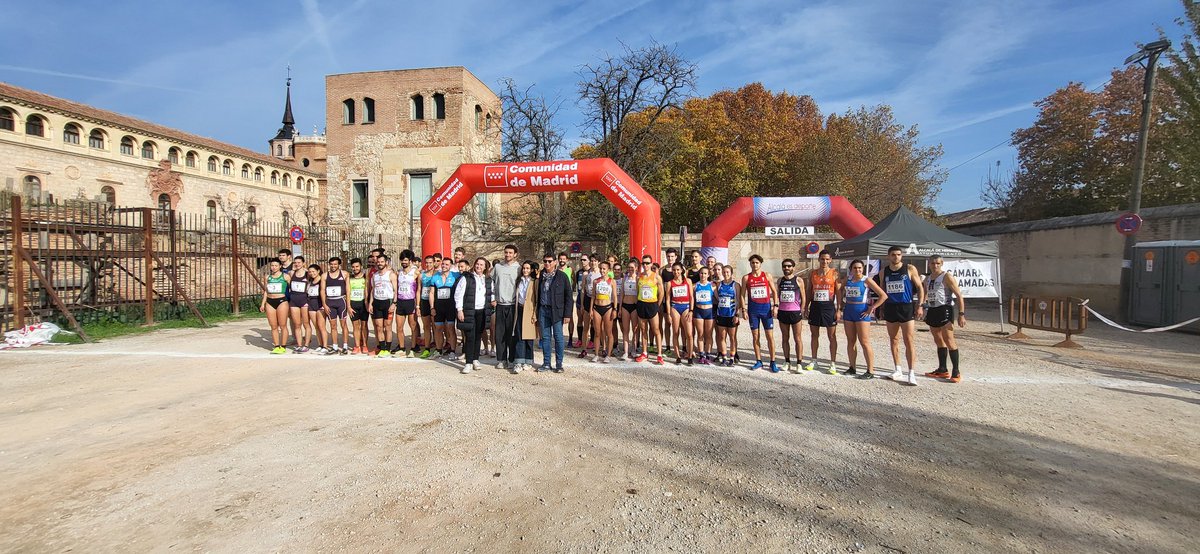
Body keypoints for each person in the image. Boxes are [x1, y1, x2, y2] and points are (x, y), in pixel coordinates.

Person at [881, 245, 926, 385]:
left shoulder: (909, 269)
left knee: (909, 340)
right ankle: (897, 369)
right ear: (888, 256)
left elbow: (919, 287)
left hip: (906, 306)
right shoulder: (884, 271)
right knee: (893, 339)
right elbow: (883, 290)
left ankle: (911, 372)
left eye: (899, 254)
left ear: (902, 256)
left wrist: (920, 305)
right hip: (890, 307)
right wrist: (882, 308)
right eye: (893, 254)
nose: (896, 257)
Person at [922, 255, 967, 383]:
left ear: (941, 263)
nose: (935, 266)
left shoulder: (946, 276)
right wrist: (921, 306)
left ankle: (956, 371)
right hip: (932, 309)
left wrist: (961, 314)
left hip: (945, 308)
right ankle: (942, 369)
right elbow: (925, 294)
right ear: (929, 264)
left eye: (937, 263)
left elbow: (958, 295)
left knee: (949, 339)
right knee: (938, 339)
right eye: (932, 263)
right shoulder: (928, 278)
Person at [841, 259, 888, 379]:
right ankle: (852, 367)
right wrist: (840, 305)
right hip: (849, 312)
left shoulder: (866, 280)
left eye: (860, 268)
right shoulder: (847, 280)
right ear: (851, 269)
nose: (857, 270)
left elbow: (883, 296)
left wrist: (872, 308)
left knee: (864, 342)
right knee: (851, 341)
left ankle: (870, 370)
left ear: (863, 269)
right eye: (855, 268)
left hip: (862, 313)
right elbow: (839, 289)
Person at [804, 250, 841, 374]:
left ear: (830, 260)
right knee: (814, 335)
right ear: (819, 259)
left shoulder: (835, 273)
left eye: (827, 259)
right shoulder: (812, 273)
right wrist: (805, 307)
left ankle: (833, 363)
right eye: (822, 259)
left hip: (829, 307)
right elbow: (809, 290)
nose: (824, 261)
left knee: (832, 336)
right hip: (815, 306)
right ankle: (814, 360)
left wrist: (839, 309)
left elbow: (839, 292)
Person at [535, 254, 573, 373]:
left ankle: (559, 364)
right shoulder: (540, 276)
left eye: (550, 261)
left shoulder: (562, 276)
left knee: (558, 337)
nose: (547, 263)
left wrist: (568, 314)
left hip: (557, 311)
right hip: (543, 310)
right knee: (545, 338)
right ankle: (546, 363)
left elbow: (569, 296)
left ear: (555, 262)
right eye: (545, 261)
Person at [741, 254, 780, 372]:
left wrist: (775, 306)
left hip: (766, 310)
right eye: (752, 263)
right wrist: (744, 309)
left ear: (760, 264)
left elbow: (774, 291)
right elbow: (742, 295)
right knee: (755, 336)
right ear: (750, 264)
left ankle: (773, 362)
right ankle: (758, 361)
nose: (754, 265)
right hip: (753, 311)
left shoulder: (767, 275)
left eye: (757, 263)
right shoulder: (746, 278)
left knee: (770, 336)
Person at [455, 257, 492, 374]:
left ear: (485, 267)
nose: (479, 267)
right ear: (474, 265)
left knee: (478, 336)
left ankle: (475, 359)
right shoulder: (467, 278)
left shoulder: (487, 279)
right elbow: (458, 294)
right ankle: (468, 363)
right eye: (477, 264)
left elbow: (491, 293)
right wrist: (460, 310)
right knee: (470, 337)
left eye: (482, 265)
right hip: (469, 311)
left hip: (482, 311)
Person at [491, 245, 521, 370]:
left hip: (513, 305)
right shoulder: (497, 267)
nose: (507, 255)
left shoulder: (519, 268)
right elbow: (490, 282)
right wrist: (492, 298)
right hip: (500, 305)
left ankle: (512, 359)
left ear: (515, 254)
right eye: (506, 252)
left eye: (510, 253)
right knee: (500, 334)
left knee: (512, 334)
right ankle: (501, 359)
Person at [776, 258, 806, 372]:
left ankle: (799, 363)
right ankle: (787, 361)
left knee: (797, 338)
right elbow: (778, 296)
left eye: (789, 266)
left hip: (795, 312)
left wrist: (801, 310)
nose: (786, 268)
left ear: (793, 267)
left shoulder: (798, 280)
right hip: (783, 312)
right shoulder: (779, 281)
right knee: (785, 338)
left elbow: (803, 296)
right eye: (784, 266)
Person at [635, 254, 666, 364]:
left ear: (651, 264)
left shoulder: (656, 276)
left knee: (656, 330)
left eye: (647, 263)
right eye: (643, 263)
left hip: (652, 305)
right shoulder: (639, 276)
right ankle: (644, 353)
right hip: (642, 304)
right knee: (643, 330)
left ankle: (659, 354)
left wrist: (658, 304)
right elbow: (637, 290)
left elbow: (661, 292)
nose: (645, 265)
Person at [429, 258, 460, 360]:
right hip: (439, 307)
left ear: (450, 266)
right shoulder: (435, 277)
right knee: (438, 329)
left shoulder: (455, 276)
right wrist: (432, 307)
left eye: (446, 264)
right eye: (443, 264)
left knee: (451, 328)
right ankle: (438, 350)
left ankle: (452, 350)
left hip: (450, 307)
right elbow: (432, 293)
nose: (444, 266)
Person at [368, 254, 397, 357]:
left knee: (387, 326)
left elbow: (395, 290)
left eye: (382, 262)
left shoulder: (391, 274)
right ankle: (382, 348)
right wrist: (371, 303)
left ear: (386, 262)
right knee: (379, 327)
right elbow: (373, 290)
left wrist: (394, 303)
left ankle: (388, 349)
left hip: (388, 302)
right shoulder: (374, 276)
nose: (380, 264)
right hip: (377, 302)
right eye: (378, 262)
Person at [512, 260, 539, 373]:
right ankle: (518, 361)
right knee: (519, 336)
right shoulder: (519, 281)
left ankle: (528, 361)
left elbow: (537, 299)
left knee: (528, 337)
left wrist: (535, 314)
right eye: (524, 268)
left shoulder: (534, 282)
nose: (525, 270)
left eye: (528, 268)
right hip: (520, 309)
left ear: (531, 269)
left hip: (530, 311)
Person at [393, 250, 421, 358]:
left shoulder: (415, 272)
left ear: (410, 261)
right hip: (400, 301)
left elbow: (418, 289)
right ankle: (402, 348)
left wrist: (417, 305)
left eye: (405, 260)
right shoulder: (399, 272)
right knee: (399, 327)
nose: (403, 262)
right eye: (402, 260)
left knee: (413, 326)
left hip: (410, 301)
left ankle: (414, 347)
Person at [667, 262, 695, 365]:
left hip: (686, 307)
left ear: (682, 270)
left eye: (678, 270)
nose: (676, 272)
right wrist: (669, 314)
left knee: (689, 333)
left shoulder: (688, 281)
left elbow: (691, 297)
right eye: (674, 270)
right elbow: (668, 298)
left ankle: (690, 355)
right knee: (675, 332)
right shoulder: (670, 283)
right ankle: (678, 356)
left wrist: (691, 311)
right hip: (675, 307)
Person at [260, 259, 290, 354]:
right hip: (270, 301)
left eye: (276, 265)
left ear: (280, 266)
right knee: (273, 326)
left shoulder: (285, 276)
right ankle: (277, 345)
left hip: (281, 301)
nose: (273, 267)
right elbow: (266, 291)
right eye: (272, 265)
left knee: (282, 325)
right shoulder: (267, 277)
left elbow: (292, 289)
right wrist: (263, 303)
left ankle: (283, 346)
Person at [322, 256, 351, 355]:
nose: (333, 266)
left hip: (341, 301)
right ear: (329, 265)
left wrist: (349, 305)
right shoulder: (325, 275)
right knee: (333, 325)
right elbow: (322, 290)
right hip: (330, 302)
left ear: (339, 265)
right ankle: (334, 346)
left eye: (335, 264)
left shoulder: (344, 274)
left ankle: (345, 346)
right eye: (331, 264)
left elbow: (348, 290)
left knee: (343, 324)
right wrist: (324, 304)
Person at [589, 260, 617, 362]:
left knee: (609, 333)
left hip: (608, 308)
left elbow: (614, 297)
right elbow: (593, 296)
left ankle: (608, 355)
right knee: (597, 332)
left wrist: (615, 309)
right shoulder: (596, 281)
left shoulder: (612, 281)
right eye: (601, 268)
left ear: (608, 270)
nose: (602, 270)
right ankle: (596, 354)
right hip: (597, 307)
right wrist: (591, 309)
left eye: (604, 269)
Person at [714, 264, 742, 367]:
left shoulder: (736, 285)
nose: (726, 274)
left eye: (728, 272)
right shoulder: (719, 284)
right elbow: (717, 298)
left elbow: (738, 300)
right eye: (724, 272)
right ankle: (724, 357)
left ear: (731, 274)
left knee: (732, 337)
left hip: (732, 314)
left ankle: (732, 357)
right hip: (721, 314)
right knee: (722, 337)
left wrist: (737, 314)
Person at [617, 258, 640, 360]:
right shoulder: (624, 278)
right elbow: (621, 293)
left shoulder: (638, 279)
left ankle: (634, 349)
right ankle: (626, 351)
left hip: (634, 306)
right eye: (628, 267)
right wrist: (620, 308)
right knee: (625, 330)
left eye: (632, 268)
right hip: (625, 305)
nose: (630, 269)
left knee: (635, 330)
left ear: (636, 268)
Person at [305, 263, 330, 354]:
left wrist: (325, 304)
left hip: (320, 304)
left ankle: (325, 346)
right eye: (310, 272)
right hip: (311, 304)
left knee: (321, 326)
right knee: (316, 326)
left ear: (318, 271)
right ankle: (320, 345)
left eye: (313, 271)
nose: (312, 273)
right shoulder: (310, 282)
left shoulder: (322, 281)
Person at [692, 266, 716, 364]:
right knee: (700, 334)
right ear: (699, 274)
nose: (703, 275)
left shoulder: (712, 285)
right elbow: (692, 298)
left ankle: (708, 354)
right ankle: (701, 354)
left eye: (705, 273)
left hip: (709, 312)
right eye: (701, 273)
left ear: (708, 275)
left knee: (709, 335)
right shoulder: (695, 286)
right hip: (698, 312)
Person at [287, 255, 310, 352]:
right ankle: (299, 344)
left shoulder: (308, 274)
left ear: (303, 263)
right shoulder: (291, 273)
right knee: (297, 324)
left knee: (306, 324)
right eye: (295, 262)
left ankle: (306, 345)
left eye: (299, 262)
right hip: (294, 301)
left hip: (304, 301)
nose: (297, 264)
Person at [347, 258, 370, 354]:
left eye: (357, 266)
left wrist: (367, 303)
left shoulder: (365, 277)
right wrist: (348, 306)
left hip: (363, 304)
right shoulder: (349, 277)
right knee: (355, 326)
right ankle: (357, 346)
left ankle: (364, 345)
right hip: (353, 303)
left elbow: (367, 291)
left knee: (364, 325)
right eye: (353, 267)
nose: (355, 268)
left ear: (361, 266)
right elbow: (348, 292)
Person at [659, 248, 678, 355]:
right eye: (668, 256)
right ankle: (667, 346)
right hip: (666, 300)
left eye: (672, 256)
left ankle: (681, 347)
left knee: (679, 324)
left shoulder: (681, 269)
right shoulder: (662, 270)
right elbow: (660, 288)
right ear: (666, 257)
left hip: (678, 300)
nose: (670, 258)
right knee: (667, 323)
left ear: (675, 257)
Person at [418, 254, 438, 358]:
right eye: (427, 262)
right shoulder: (422, 275)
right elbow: (418, 290)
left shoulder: (438, 274)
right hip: (424, 302)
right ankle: (427, 348)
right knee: (426, 326)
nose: (428, 264)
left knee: (436, 326)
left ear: (434, 263)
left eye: (430, 262)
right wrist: (417, 305)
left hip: (435, 303)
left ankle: (438, 347)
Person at [576, 255, 595, 355]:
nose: (593, 263)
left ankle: (598, 347)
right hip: (586, 300)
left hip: (597, 301)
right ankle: (584, 348)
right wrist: (582, 304)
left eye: (594, 261)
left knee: (597, 326)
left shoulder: (600, 273)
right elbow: (582, 289)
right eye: (591, 261)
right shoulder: (583, 274)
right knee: (585, 325)